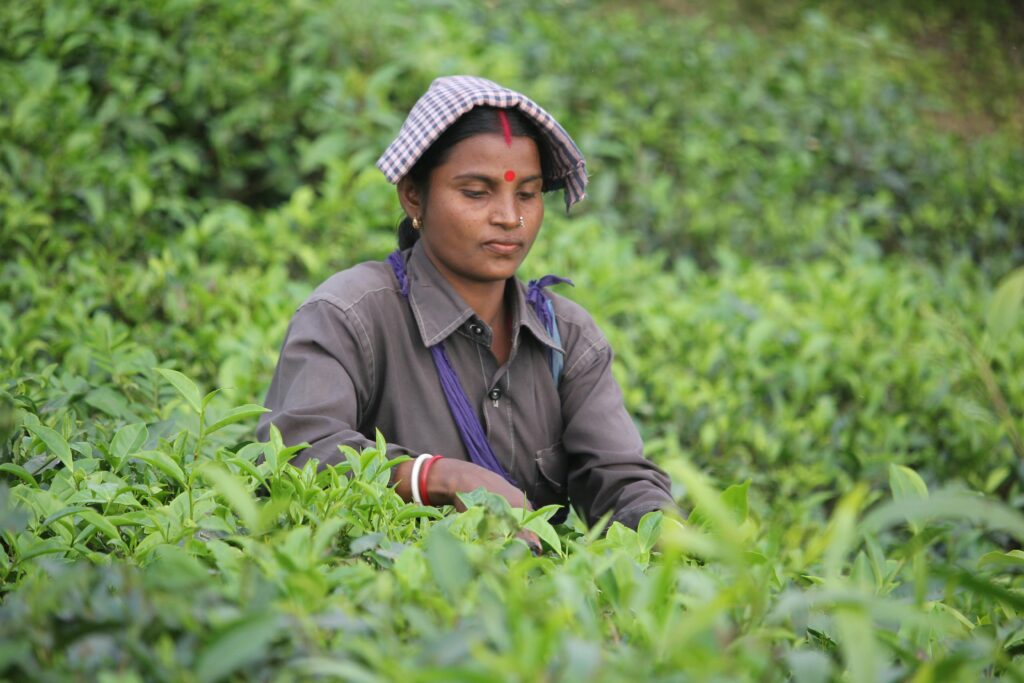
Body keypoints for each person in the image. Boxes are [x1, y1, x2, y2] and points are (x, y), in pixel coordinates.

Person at [257, 76, 674, 540]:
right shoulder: (348, 316)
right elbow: (294, 452)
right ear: (414, 194)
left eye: (527, 194)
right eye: (476, 192)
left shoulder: (568, 336)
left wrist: (671, 535)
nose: (509, 218)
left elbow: (623, 482)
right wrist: (437, 477)